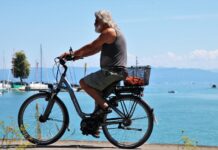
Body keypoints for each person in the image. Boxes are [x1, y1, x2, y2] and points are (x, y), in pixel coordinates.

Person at [60, 10, 127, 137]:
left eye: (96, 20)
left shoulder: (109, 32)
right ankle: (95, 126)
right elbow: (94, 49)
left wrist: (71, 53)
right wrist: (76, 57)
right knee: (98, 94)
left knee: (83, 83)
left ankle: (106, 107)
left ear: (103, 21)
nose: (94, 23)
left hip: (111, 72)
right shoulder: (112, 33)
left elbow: (90, 46)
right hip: (117, 72)